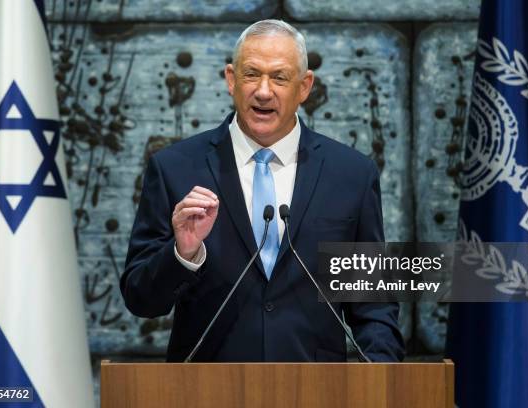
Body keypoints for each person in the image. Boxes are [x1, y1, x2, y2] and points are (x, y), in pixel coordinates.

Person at [121, 19, 405, 362]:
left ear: (304, 86)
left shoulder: (351, 174)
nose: (264, 91)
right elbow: (140, 299)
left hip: (318, 390)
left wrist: (379, 378)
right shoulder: (174, 168)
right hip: (206, 389)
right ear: (231, 79)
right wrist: (182, 254)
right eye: (251, 74)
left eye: (280, 77)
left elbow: (373, 303)